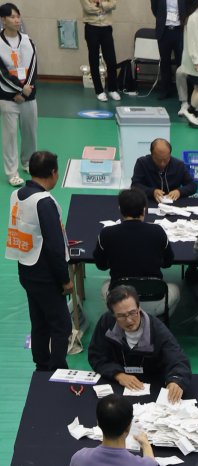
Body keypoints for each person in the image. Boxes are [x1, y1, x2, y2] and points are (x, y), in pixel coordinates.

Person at [5, 149, 71, 372]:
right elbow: (54, 246)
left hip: (26, 268)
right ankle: (58, 369)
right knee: (62, 325)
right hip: (46, 274)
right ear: (53, 172)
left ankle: (42, 365)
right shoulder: (44, 202)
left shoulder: (17, 195)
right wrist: (65, 279)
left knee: (40, 321)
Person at [88, 284, 192, 403]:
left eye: (132, 313)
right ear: (113, 315)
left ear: (139, 308)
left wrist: (175, 380)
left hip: (152, 386)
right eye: (121, 316)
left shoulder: (157, 330)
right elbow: (96, 355)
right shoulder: (106, 323)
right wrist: (118, 374)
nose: (129, 320)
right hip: (118, 386)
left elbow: (177, 359)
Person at [92, 186, 178, 315]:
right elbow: (168, 262)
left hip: (121, 304)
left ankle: (123, 322)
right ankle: (152, 324)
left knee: (105, 285)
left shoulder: (106, 234)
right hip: (154, 301)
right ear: (144, 210)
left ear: (120, 210)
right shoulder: (158, 232)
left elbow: (101, 265)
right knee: (175, 289)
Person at [0, 3, 37, 186]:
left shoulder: (28, 41)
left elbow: (33, 66)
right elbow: (2, 73)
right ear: (3, 20)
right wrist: (18, 90)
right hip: (8, 97)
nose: (16, 20)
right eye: (12, 17)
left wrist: (26, 89)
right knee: (10, 135)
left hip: (29, 95)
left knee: (30, 132)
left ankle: (28, 162)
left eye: (18, 16)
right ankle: (12, 172)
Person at [131, 137, 197, 202]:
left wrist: (179, 191)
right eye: (158, 160)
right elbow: (135, 185)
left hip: (174, 203)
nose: (162, 164)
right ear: (152, 155)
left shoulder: (178, 165)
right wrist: (152, 192)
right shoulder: (142, 163)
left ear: (170, 154)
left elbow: (192, 185)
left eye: (166, 159)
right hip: (150, 201)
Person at [81, 0, 120, 102]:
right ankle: (99, 91)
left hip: (106, 28)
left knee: (111, 60)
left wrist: (99, 3)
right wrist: (105, 6)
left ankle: (112, 89)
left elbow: (114, 4)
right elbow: (88, 8)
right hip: (91, 27)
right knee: (94, 60)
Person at [150, 0, 186, 99]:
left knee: (181, 62)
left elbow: (188, 6)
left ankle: (182, 91)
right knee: (165, 62)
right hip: (164, 30)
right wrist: (162, 18)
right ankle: (166, 89)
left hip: (179, 30)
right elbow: (154, 8)